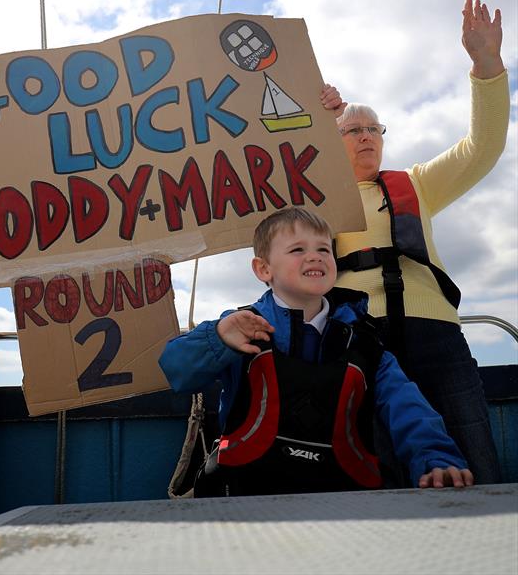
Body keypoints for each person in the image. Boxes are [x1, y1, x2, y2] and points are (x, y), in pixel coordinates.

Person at [159, 207, 473, 497]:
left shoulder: (365, 342)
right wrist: (216, 338)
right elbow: (176, 371)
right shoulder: (240, 328)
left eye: (324, 249)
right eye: (298, 249)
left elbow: (406, 405)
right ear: (263, 269)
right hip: (247, 497)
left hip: (342, 499)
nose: (315, 257)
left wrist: (436, 460)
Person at [325, 0, 509, 485]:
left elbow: (481, 149)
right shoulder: (313, 197)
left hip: (436, 335)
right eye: (352, 130)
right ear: (332, 138)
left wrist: (486, 67)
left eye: (373, 129)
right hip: (360, 338)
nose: (366, 136)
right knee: (375, 465)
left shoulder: (417, 183)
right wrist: (309, 119)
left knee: (475, 457)